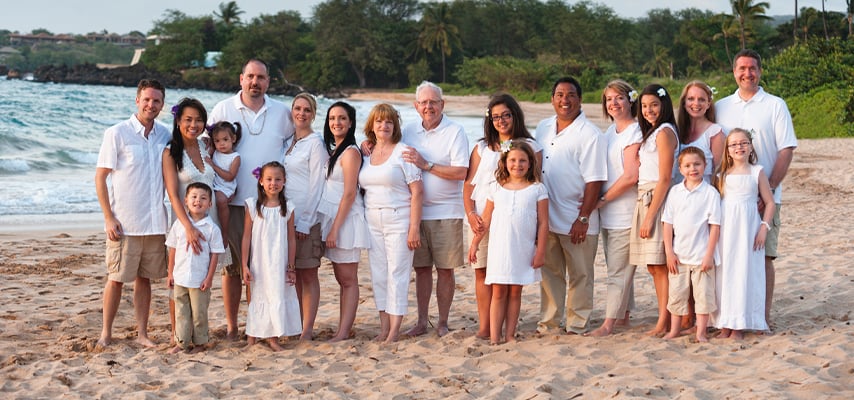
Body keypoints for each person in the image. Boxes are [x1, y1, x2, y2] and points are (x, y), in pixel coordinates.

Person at [208, 58, 295, 341]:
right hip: (233, 204)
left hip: (269, 206)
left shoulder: (282, 112)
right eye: (250, 77)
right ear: (241, 78)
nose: (255, 82)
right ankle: (234, 326)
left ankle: (260, 327)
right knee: (234, 269)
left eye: (261, 77)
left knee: (264, 270)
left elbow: (300, 141)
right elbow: (204, 146)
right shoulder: (223, 109)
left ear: (268, 81)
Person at [715, 49, 797, 327]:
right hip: (731, 201)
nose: (747, 73)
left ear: (760, 71)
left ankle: (762, 317)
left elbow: (786, 149)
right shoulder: (722, 106)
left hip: (768, 196)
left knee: (764, 256)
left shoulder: (775, 105)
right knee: (729, 257)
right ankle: (730, 316)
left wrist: (769, 190)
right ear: (733, 72)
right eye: (742, 68)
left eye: (752, 68)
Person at [94, 79, 170, 348]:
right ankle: (106, 332)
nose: (151, 104)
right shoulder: (117, 133)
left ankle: (142, 334)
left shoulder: (165, 135)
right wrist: (108, 217)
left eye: (156, 100)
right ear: (137, 100)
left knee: (145, 280)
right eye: (147, 99)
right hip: (124, 222)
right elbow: (100, 178)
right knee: (116, 279)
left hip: (154, 223)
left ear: (162, 104)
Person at [464, 93, 542, 339]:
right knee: (482, 271)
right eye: (495, 117)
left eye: (506, 115)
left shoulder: (530, 146)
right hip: (482, 217)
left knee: (509, 278)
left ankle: (506, 329)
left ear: (514, 115)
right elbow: (468, 184)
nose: (501, 121)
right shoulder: (482, 147)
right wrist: (470, 213)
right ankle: (485, 327)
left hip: (512, 221)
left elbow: (536, 183)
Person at [535, 77, 606, 335]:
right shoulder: (543, 127)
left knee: (580, 275)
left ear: (580, 99)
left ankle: (577, 323)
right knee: (550, 273)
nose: (565, 100)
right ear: (552, 98)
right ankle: (550, 322)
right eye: (560, 95)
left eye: (571, 95)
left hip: (578, 219)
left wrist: (583, 217)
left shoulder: (590, 134)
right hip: (548, 217)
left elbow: (595, 179)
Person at [401, 81, 470, 338]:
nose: (428, 106)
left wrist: (426, 164)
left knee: (445, 269)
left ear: (443, 104)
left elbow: (461, 172)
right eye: (424, 102)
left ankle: (442, 322)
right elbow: (385, 144)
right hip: (416, 214)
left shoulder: (455, 131)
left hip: (447, 213)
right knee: (421, 270)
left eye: (433, 102)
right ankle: (421, 321)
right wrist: (368, 145)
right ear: (416, 106)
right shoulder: (407, 131)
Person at [468, 140, 548, 345]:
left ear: (530, 163)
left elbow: (543, 223)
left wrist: (540, 251)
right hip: (499, 249)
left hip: (522, 248)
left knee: (515, 291)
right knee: (498, 291)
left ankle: (510, 334)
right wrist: (475, 243)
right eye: (512, 160)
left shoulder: (538, 189)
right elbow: (485, 219)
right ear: (504, 163)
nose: (517, 165)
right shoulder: (497, 188)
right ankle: (495, 337)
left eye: (522, 160)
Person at [360, 103, 424, 343]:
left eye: (388, 122)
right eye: (379, 121)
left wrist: (414, 228)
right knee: (378, 274)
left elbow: (417, 192)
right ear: (372, 126)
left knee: (397, 273)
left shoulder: (404, 152)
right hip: (372, 220)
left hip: (399, 219)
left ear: (395, 126)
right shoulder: (367, 153)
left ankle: (395, 331)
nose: (383, 126)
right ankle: (384, 327)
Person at [587, 80, 642, 337]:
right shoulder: (609, 133)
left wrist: (603, 199)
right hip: (608, 213)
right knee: (617, 266)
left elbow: (631, 175)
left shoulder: (636, 132)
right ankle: (623, 316)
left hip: (625, 211)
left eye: (619, 98)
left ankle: (608, 324)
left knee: (618, 271)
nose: (614, 103)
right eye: (609, 99)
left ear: (630, 100)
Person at [162, 97, 218, 346]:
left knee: (201, 279)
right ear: (178, 121)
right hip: (184, 223)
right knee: (181, 278)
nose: (193, 124)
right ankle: (178, 336)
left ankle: (199, 335)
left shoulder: (206, 147)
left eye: (198, 120)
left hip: (208, 219)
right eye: (188, 119)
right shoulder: (171, 152)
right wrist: (188, 228)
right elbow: (173, 194)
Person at [713, 129, 775, 340]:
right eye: (734, 144)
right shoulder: (721, 175)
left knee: (743, 272)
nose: (739, 147)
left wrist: (763, 228)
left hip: (748, 229)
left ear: (750, 146)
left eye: (743, 143)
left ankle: (739, 325)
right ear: (728, 151)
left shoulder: (757, 171)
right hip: (726, 229)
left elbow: (769, 203)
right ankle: (724, 323)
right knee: (725, 274)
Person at [317, 101, 370, 342]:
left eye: (341, 118)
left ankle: (344, 332)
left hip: (346, 222)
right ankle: (342, 328)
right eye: (332, 119)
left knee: (348, 279)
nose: (336, 123)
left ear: (350, 124)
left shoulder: (350, 152)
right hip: (333, 218)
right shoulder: (335, 151)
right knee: (341, 278)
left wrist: (335, 229)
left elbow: (350, 193)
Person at [630, 83, 679, 337]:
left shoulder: (665, 133)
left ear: (664, 105)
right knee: (653, 266)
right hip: (645, 197)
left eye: (654, 105)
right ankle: (665, 318)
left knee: (660, 265)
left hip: (657, 199)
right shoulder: (653, 132)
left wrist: (649, 216)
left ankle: (665, 321)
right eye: (644, 106)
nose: (648, 110)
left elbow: (665, 177)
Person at [661, 148, 720, 342]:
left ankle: (701, 331)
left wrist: (709, 255)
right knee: (677, 295)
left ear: (705, 166)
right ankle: (674, 330)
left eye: (697, 164)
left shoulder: (710, 193)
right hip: (679, 256)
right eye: (687, 165)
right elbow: (667, 224)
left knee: (703, 296)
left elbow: (714, 227)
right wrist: (669, 252)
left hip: (701, 255)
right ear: (680, 168)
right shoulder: (675, 192)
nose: (692, 168)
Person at [240, 161, 301, 351]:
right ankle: (252, 335)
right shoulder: (252, 205)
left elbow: (291, 239)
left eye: (277, 179)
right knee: (258, 295)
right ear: (260, 181)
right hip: (259, 261)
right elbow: (246, 237)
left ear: (284, 182)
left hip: (279, 261)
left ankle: (273, 337)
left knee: (276, 293)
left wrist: (291, 266)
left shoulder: (288, 207)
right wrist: (244, 264)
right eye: (268, 179)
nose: (273, 183)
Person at [283, 93, 329, 341]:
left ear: (313, 114)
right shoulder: (288, 142)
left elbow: (317, 185)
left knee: (308, 273)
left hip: (305, 220)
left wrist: (306, 221)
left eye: (307, 110)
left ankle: (307, 329)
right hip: (285, 218)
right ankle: (296, 323)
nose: (301, 113)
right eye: (298, 108)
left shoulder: (315, 144)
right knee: (293, 273)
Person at [166, 182, 224, 353]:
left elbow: (215, 254)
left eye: (203, 198)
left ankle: (200, 343)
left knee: (199, 313)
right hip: (180, 277)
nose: (198, 201)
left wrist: (209, 278)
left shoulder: (212, 229)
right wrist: (170, 273)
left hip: (200, 280)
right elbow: (172, 249)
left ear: (210, 204)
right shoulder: (179, 225)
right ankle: (181, 342)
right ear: (185, 200)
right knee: (181, 311)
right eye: (194, 197)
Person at [675, 81, 724, 183]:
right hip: (677, 195)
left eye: (701, 100)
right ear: (684, 103)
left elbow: (720, 172)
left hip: (704, 195)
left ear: (708, 104)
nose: (696, 103)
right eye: (691, 99)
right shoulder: (676, 131)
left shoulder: (715, 133)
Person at [207, 121, 242, 247]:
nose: (221, 144)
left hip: (226, 186)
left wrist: (214, 166)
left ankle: (225, 232)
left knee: (221, 201)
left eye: (225, 139)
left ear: (233, 139)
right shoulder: (214, 152)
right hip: (215, 183)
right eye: (217, 141)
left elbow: (230, 176)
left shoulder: (235, 157)